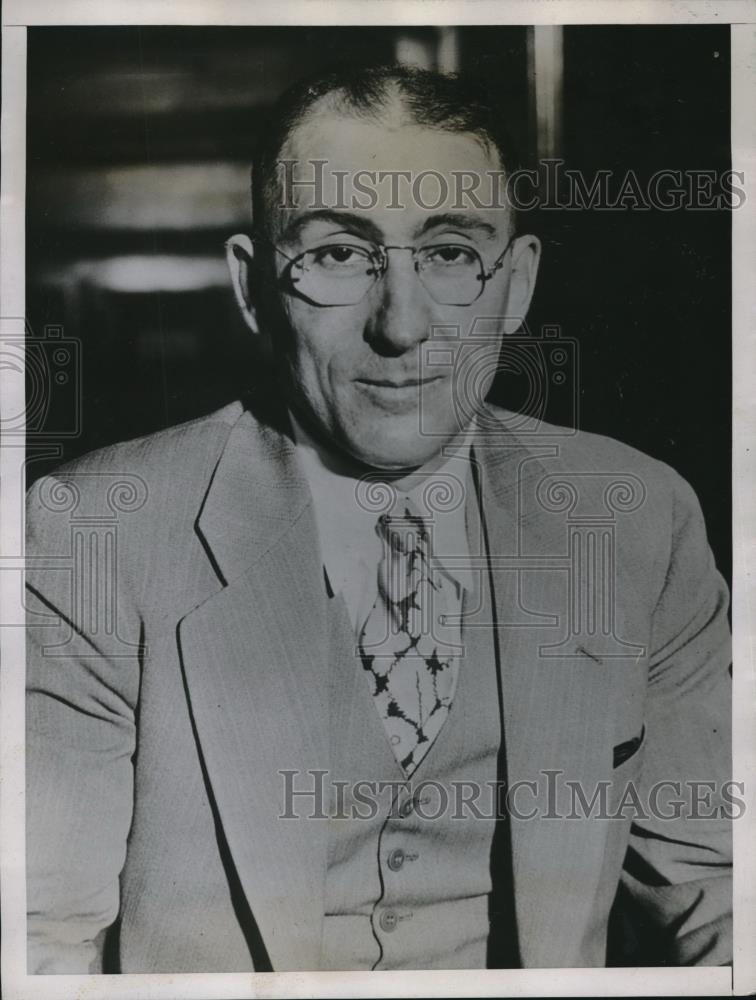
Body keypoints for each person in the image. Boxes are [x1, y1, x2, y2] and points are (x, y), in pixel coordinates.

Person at [26, 64, 732, 973]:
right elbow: (39, 941)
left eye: (448, 253)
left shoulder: (637, 519)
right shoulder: (93, 534)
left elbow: (718, 887)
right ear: (252, 289)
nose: (402, 326)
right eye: (336, 254)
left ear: (515, 285)